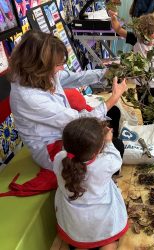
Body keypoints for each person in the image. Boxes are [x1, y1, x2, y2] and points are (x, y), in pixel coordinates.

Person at [8, 30, 127, 171]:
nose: (62, 68)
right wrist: (113, 98)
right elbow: (77, 122)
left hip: (65, 130)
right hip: (51, 148)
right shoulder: (28, 97)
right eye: (58, 65)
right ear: (39, 66)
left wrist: (105, 73)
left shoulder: (41, 75)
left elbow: (75, 78)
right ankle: (99, 182)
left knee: (113, 115)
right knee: (116, 146)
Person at [54, 117, 128, 249]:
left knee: (79, 243)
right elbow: (116, 158)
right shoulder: (106, 163)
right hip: (102, 221)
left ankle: (80, 246)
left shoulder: (59, 159)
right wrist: (109, 142)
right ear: (97, 151)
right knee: (109, 244)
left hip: (73, 223)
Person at [109, 11, 154, 142]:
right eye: (151, 33)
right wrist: (113, 18)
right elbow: (118, 30)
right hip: (141, 84)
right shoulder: (136, 39)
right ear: (143, 33)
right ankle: (149, 127)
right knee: (144, 106)